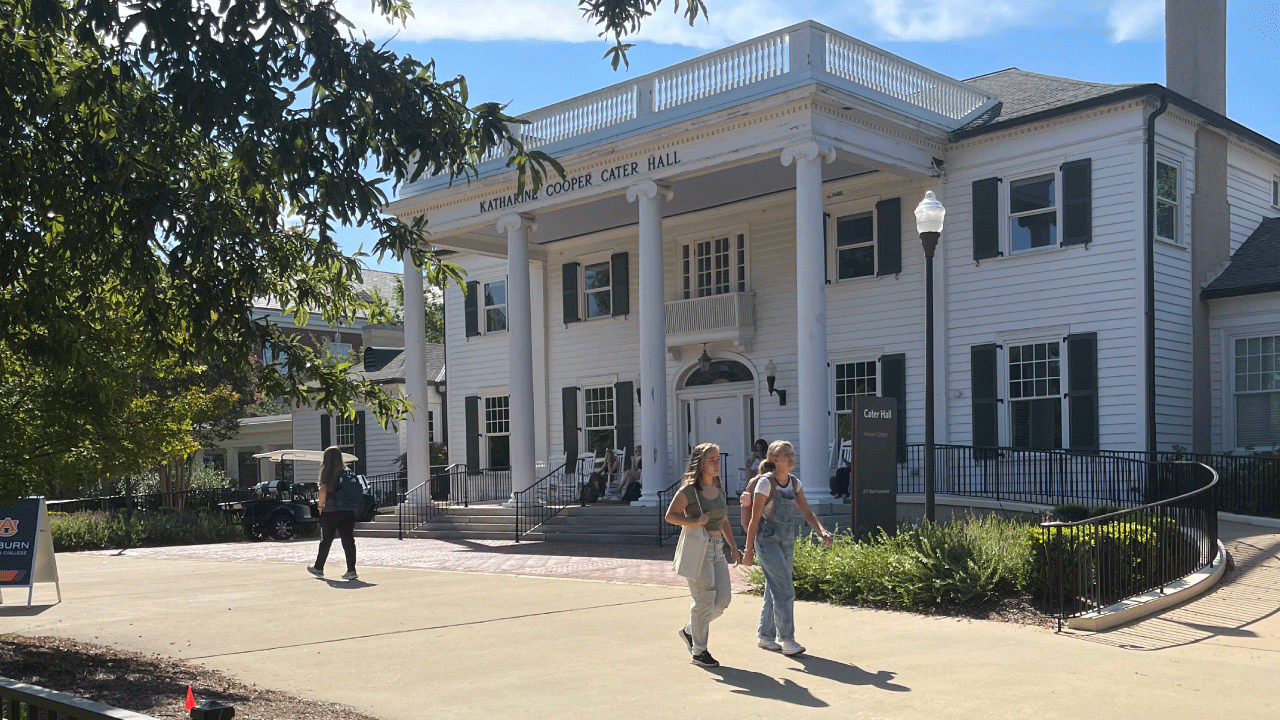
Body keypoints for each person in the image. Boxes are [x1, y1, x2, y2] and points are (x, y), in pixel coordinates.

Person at [742, 440, 833, 656]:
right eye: (785, 454)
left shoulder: (794, 483)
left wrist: (822, 532)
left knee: (774, 588)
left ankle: (765, 636)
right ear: (774, 459)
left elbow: (808, 513)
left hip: (787, 539)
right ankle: (787, 639)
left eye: (792, 453)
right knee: (785, 590)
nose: (791, 458)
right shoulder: (766, 484)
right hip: (767, 539)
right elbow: (754, 519)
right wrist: (748, 550)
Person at [665, 443, 741, 668]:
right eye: (711, 460)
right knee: (704, 599)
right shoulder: (688, 491)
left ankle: (690, 630)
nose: (717, 464)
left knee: (723, 599)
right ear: (700, 463)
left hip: (718, 548)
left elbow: (724, 520)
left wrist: (734, 547)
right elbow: (670, 516)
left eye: (717, 459)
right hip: (699, 547)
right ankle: (699, 651)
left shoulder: (719, 489)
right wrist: (695, 521)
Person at [307, 446, 362, 581]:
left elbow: (323, 490)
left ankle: (319, 567)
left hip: (331, 510)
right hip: (348, 510)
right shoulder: (346, 471)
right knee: (348, 540)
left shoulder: (327, 471)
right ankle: (351, 570)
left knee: (326, 540)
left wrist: (320, 506)